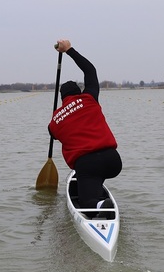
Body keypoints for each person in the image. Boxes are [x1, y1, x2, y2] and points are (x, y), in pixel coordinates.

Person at [49, 39, 121, 213]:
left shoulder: (55, 121)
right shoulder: (89, 98)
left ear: (62, 99)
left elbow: (52, 133)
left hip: (88, 164)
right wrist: (69, 50)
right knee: (94, 176)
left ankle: (95, 204)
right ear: (79, 92)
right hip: (113, 160)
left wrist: (58, 117)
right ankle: (98, 194)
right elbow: (90, 70)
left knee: (86, 201)